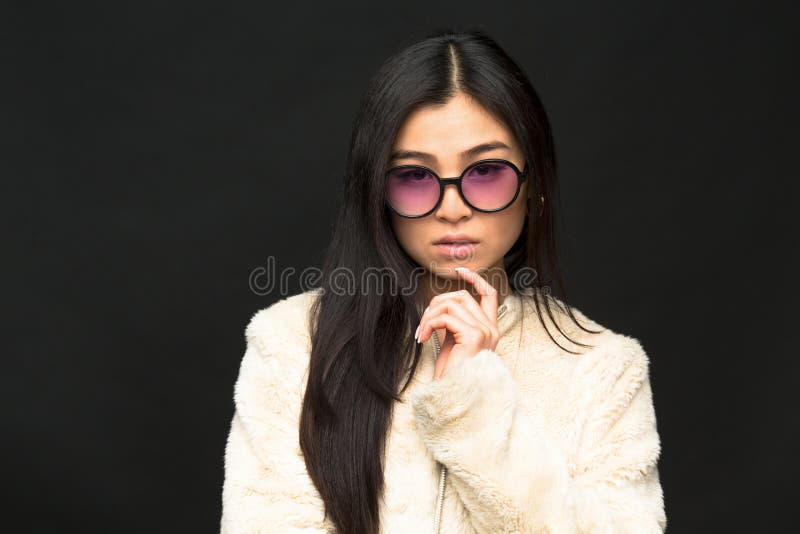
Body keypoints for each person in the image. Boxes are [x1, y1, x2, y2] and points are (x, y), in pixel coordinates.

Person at [220, 28, 666, 534]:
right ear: (376, 194)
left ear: (534, 185)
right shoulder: (291, 344)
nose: (452, 209)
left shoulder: (603, 370)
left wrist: (474, 403)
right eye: (414, 177)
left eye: (486, 172)